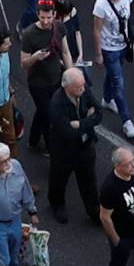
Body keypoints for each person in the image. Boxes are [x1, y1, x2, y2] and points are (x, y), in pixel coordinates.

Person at [47, 61, 102, 223]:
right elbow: (67, 132)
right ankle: (57, 205)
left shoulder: (84, 90)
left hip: (86, 145)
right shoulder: (57, 103)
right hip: (64, 150)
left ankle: (94, 211)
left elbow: (98, 113)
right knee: (59, 178)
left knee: (90, 180)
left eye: (83, 85)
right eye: (79, 87)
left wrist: (81, 123)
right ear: (67, 87)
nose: (83, 89)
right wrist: (88, 119)